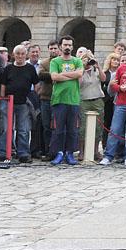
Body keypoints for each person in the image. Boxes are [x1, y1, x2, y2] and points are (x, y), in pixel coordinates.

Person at [0, 44, 39, 164]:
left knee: (23, 129)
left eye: (22, 54)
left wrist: (33, 97)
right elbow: (3, 85)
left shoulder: (30, 68)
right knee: (6, 128)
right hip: (8, 102)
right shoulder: (8, 68)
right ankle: (3, 152)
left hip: (24, 103)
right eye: (18, 54)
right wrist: (3, 99)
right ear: (14, 55)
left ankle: (24, 153)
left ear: (26, 55)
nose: (20, 56)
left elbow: (36, 85)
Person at [48, 35, 84, 166]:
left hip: (73, 100)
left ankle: (70, 153)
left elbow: (79, 74)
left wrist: (62, 75)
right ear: (61, 46)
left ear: (72, 47)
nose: (67, 47)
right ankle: (59, 153)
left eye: (69, 45)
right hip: (59, 99)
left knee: (73, 130)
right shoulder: (55, 62)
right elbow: (54, 77)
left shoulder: (77, 61)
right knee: (58, 129)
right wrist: (71, 75)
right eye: (65, 45)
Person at [77, 50, 106, 162]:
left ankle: (95, 150)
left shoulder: (96, 70)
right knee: (83, 127)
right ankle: (82, 151)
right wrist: (82, 69)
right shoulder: (80, 70)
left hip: (97, 99)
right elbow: (78, 84)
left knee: (98, 127)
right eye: (86, 59)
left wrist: (98, 66)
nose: (89, 62)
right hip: (84, 100)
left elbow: (104, 79)